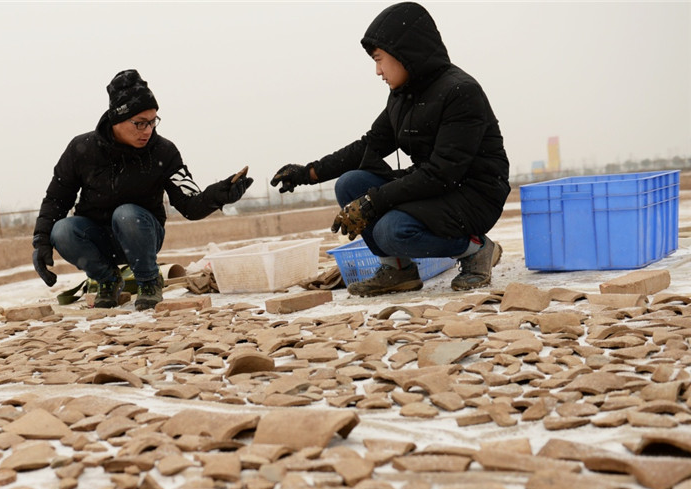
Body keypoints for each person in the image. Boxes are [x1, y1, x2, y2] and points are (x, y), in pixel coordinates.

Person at [270, 2, 510, 297]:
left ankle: (476, 248)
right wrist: (307, 172)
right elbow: (368, 146)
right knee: (351, 184)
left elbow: (443, 173)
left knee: (392, 230)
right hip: (435, 187)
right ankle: (398, 271)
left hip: (472, 193)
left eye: (380, 59)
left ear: (405, 53)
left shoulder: (460, 91)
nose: (377, 70)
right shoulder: (401, 97)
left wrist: (376, 200)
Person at [32, 69, 253, 310]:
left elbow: (190, 205)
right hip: (97, 238)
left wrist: (217, 196)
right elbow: (56, 199)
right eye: (139, 123)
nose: (148, 130)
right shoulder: (81, 149)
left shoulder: (163, 151)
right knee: (62, 230)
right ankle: (107, 280)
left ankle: (148, 281)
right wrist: (41, 242)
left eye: (152, 121)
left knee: (126, 214)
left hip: (142, 234)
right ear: (117, 119)